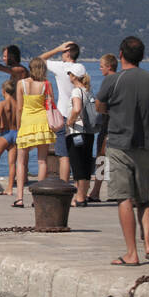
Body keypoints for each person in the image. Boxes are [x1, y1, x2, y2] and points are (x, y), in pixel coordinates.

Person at [95, 36, 149, 266]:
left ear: (120, 55)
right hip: (146, 146)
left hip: (119, 144)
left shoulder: (114, 81)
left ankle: (132, 253)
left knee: (123, 198)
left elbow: (100, 106)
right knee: (144, 199)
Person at [13, 57, 56, 208]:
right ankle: (37, 197)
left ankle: (19, 198)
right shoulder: (46, 84)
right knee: (42, 161)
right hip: (42, 123)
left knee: (21, 161)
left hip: (26, 122)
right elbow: (51, 104)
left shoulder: (21, 84)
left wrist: (19, 126)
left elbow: (19, 107)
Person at [41, 41, 85, 183]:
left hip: (63, 114)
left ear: (67, 53)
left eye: (62, 52)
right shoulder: (80, 68)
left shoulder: (60, 67)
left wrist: (56, 48)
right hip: (78, 116)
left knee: (63, 154)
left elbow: (39, 60)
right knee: (77, 152)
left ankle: (64, 184)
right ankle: (80, 185)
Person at [63, 64, 98, 207]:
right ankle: (82, 196)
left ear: (74, 76)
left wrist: (69, 122)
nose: (68, 77)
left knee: (77, 165)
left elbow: (77, 108)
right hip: (88, 133)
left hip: (77, 132)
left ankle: (80, 197)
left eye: (69, 74)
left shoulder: (76, 91)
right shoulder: (88, 91)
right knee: (85, 164)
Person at [88, 53, 119, 202]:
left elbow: (100, 104)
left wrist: (102, 110)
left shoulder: (108, 81)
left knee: (101, 159)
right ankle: (116, 191)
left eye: (101, 66)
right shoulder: (122, 79)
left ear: (109, 66)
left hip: (108, 124)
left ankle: (96, 191)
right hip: (122, 125)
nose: (100, 69)